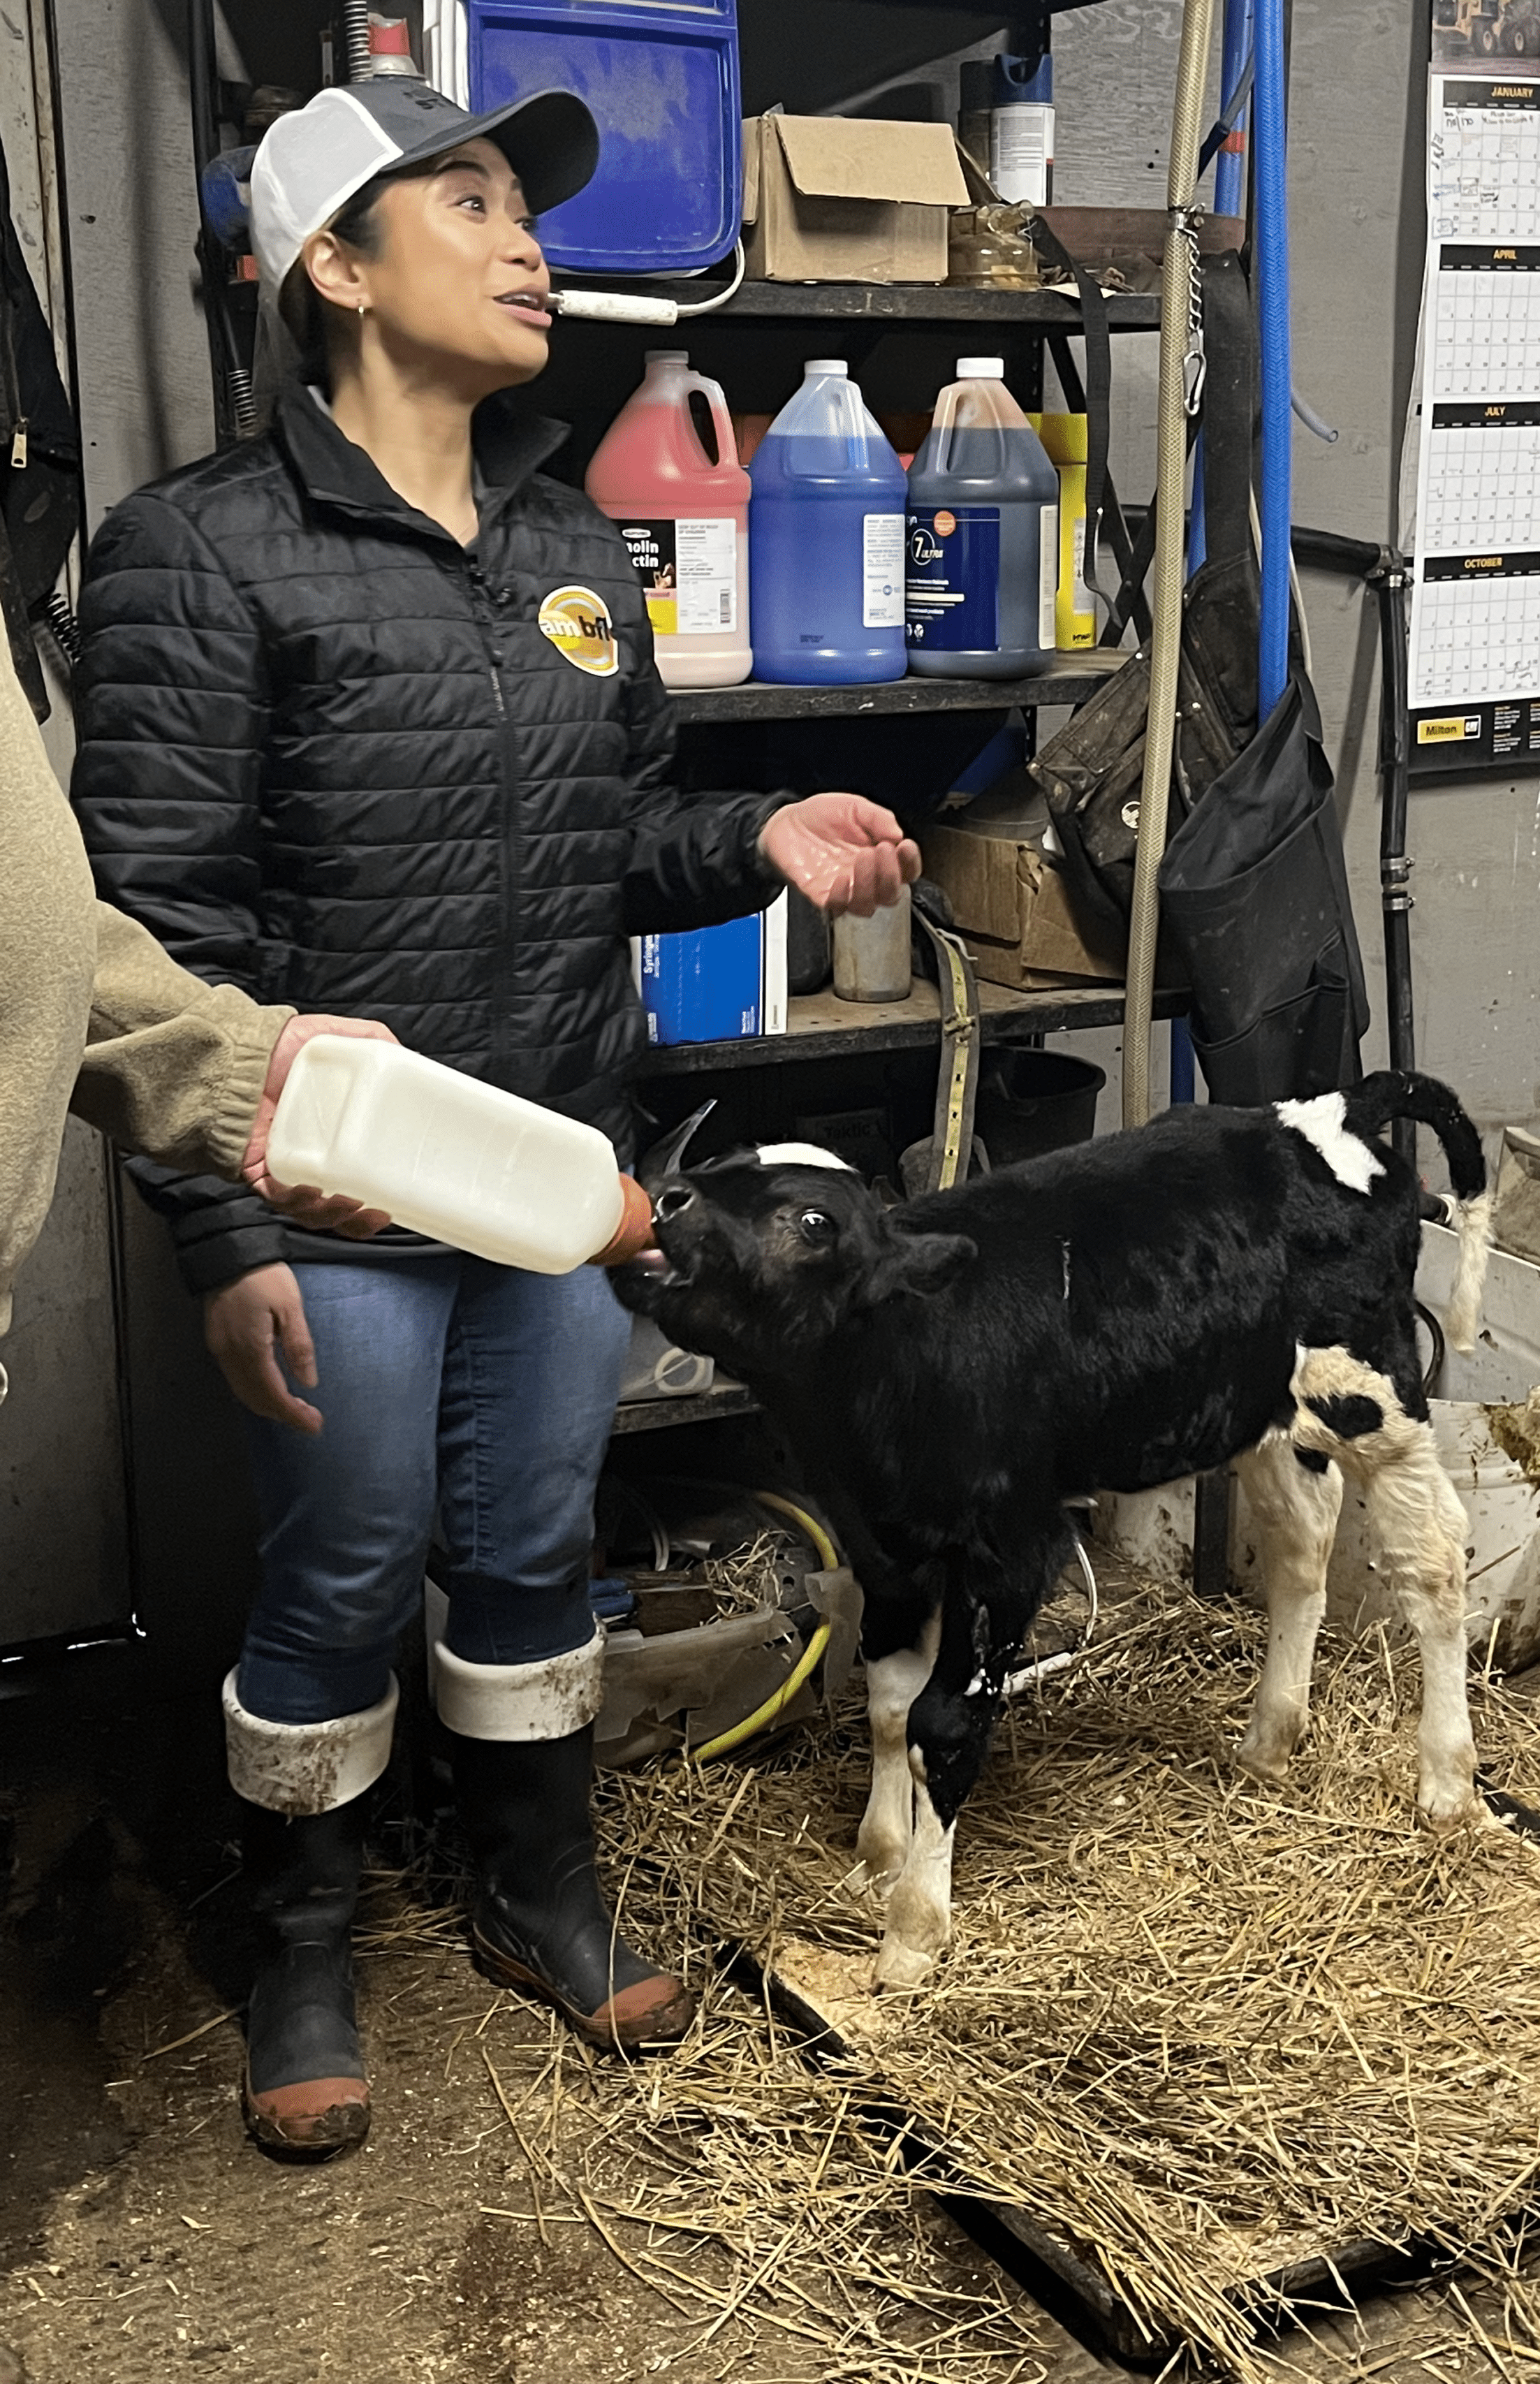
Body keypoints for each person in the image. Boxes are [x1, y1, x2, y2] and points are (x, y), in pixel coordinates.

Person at [73, 75, 918, 2159]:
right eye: (462, 203)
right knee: (342, 1566)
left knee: (536, 1542)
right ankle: (302, 1934)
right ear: (332, 271)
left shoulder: (562, 540)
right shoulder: (200, 553)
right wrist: (224, 1235)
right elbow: (148, 942)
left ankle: (541, 1880)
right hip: (332, 1190)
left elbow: (610, 835)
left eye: (521, 206)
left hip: (550, 1173)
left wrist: (754, 836)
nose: (526, 238)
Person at [0, 646, 388, 1356]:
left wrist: (228, 1065)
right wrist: (228, 1234)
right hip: (345, 1263)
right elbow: (163, 869)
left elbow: (25, 907)